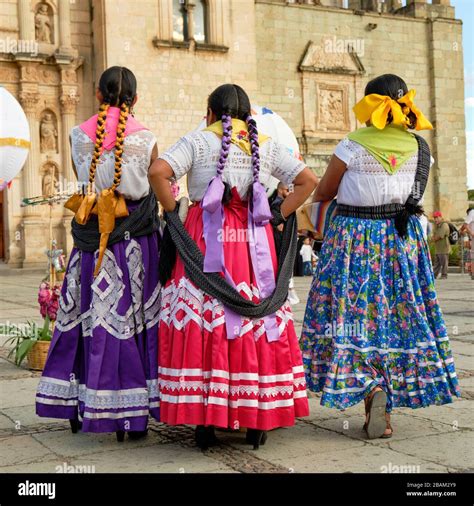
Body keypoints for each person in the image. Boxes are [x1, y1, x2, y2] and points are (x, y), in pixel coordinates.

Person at [149, 83, 316, 450]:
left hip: (204, 240)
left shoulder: (197, 141)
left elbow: (159, 172)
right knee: (255, 321)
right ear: (248, 118)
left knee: (206, 320)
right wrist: (276, 214)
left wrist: (172, 213)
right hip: (253, 244)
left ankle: (206, 420)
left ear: (209, 114)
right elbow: (308, 181)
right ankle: (256, 416)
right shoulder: (266, 146)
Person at [301, 74, 460, 440]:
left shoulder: (352, 145)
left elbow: (325, 190)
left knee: (352, 314)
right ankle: (386, 395)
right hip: (403, 241)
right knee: (396, 316)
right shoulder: (421, 150)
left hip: (354, 239)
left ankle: (370, 384)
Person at [36, 67, 161, 442]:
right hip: (136, 244)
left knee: (88, 316)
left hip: (92, 242)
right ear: (135, 100)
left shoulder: (77, 135)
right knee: (135, 321)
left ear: (96, 94)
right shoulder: (147, 138)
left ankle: (82, 400)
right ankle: (134, 414)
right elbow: (154, 184)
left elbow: (86, 183)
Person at [432, 210, 451, 279]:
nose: (435, 219)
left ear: (440, 217)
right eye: (434, 218)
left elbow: (440, 236)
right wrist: (433, 238)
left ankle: (444, 275)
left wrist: (433, 239)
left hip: (444, 248)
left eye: (437, 217)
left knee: (444, 263)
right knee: (437, 264)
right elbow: (433, 234)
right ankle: (434, 275)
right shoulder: (437, 226)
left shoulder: (444, 225)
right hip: (438, 248)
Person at [460, 207, 474, 280]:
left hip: (471, 238)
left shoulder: (471, 212)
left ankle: (472, 272)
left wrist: (471, 233)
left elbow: (465, 225)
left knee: (472, 256)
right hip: (470, 239)